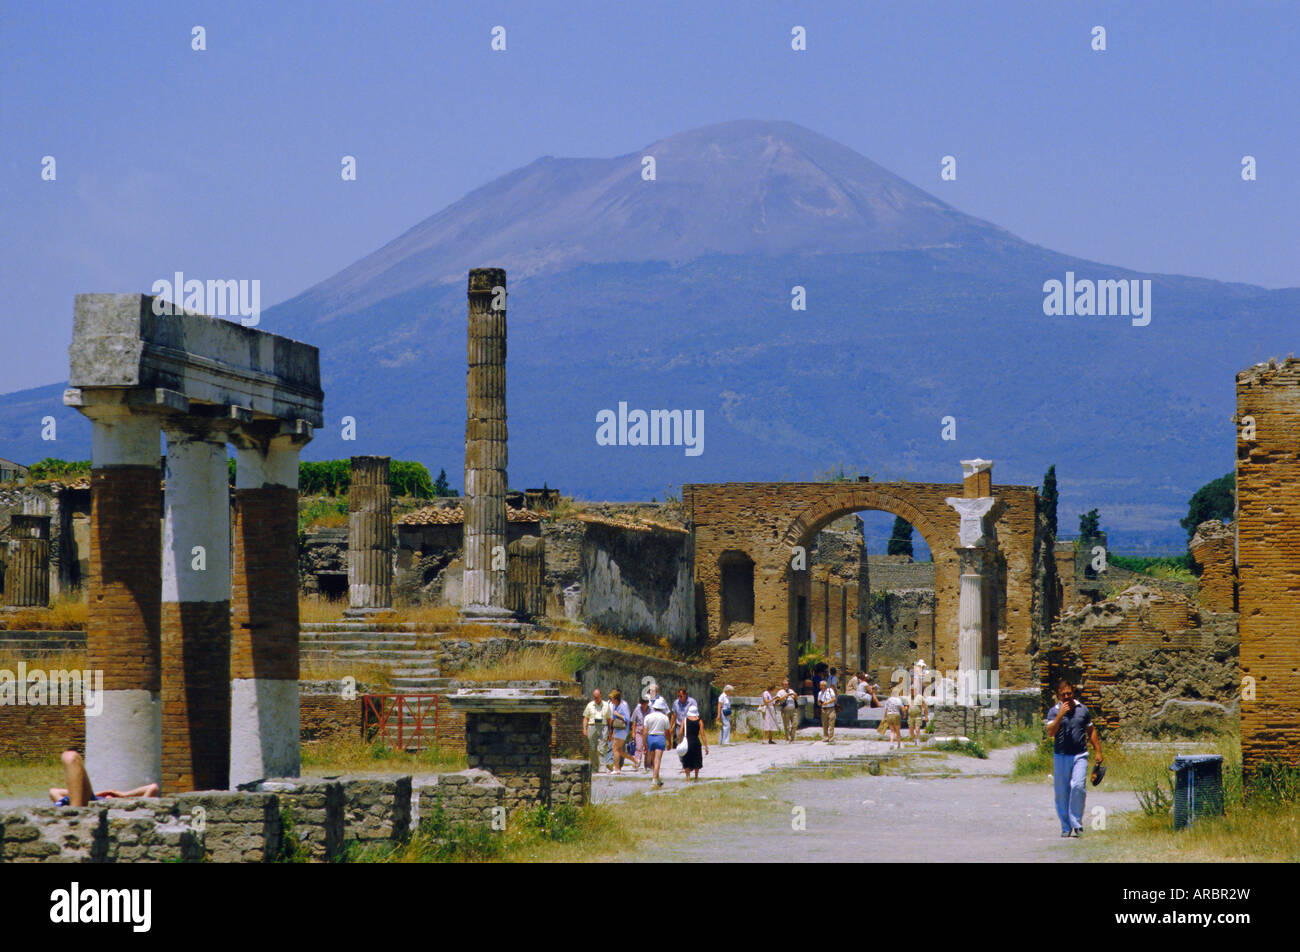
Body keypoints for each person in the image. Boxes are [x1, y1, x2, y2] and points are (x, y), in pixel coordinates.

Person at [1046, 678, 1103, 838]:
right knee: (1061, 792)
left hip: (1080, 755)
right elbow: (1051, 732)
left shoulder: (1082, 710)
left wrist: (1098, 751)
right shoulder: (1053, 711)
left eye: (1069, 693)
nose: (1066, 696)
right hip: (1061, 756)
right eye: (1063, 694)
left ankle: (1077, 823)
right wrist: (1060, 715)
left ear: (1073, 693)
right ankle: (1065, 826)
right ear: (1058, 695)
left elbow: (1091, 730)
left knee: (1078, 787)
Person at [48, 748, 159, 806]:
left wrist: (123, 795)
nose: (109, 795)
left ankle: (76, 815)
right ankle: (76, 814)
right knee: (69, 756)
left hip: (85, 808)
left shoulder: (126, 807)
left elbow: (153, 788)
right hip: (88, 801)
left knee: (71, 757)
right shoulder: (95, 798)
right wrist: (104, 793)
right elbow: (54, 791)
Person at [582, 688, 613, 774]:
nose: (596, 698)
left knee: (602, 748)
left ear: (601, 696)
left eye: (597, 697)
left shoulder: (606, 705)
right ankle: (594, 767)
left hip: (603, 727)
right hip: (592, 726)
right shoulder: (590, 705)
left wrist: (610, 732)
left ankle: (602, 767)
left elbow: (609, 719)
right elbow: (585, 718)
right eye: (594, 697)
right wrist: (584, 729)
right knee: (592, 748)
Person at [644, 696, 672, 787]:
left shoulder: (648, 717)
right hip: (660, 737)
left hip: (650, 738)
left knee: (653, 760)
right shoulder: (665, 718)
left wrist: (645, 742)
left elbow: (645, 731)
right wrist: (669, 742)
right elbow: (667, 732)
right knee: (657, 760)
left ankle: (657, 778)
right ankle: (654, 779)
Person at [680, 702, 709, 780]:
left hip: (687, 742)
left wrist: (679, 742)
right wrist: (706, 746)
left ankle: (688, 778)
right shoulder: (699, 721)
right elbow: (703, 734)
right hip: (696, 741)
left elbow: (680, 732)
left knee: (687, 760)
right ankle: (696, 778)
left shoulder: (685, 720)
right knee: (697, 759)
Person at [609, 689, 634, 774]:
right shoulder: (616, 706)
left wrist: (617, 714)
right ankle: (635, 760)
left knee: (615, 749)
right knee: (619, 750)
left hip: (623, 730)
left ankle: (617, 768)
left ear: (616, 699)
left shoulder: (623, 706)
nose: (611, 701)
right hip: (618, 730)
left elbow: (627, 718)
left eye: (612, 699)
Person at [775, 677, 799, 743]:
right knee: (787, 726)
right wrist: (785, 695)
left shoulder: (791, 690)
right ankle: (787, 739)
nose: (786, 686)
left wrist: (795, 695)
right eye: (785, 684)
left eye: (787, 684)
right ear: (782, 685)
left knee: (795, 724)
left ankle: (792, 738)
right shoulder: (780, 692)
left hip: (793, 710)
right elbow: (778, 700)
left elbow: (796, 699)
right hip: (785, 710)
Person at [630, 695, 651, 769]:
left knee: (648, 748)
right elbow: (634, 722)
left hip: (648, 731)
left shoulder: (651, 710)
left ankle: (647, 765)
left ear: (648, 703)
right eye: (642, 703)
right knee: (638, 747)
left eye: (645, 703)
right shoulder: (637, 709)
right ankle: (637, 762)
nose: (643, 705)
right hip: (639, 731)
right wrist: (633, 732)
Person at [907, 681, 928, 745]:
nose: (912, 691)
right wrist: (904, 709)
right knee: (911, 732)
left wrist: (926, 716)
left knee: (917, 729)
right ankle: (915, 740)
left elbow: (924, 707)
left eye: (913, 690)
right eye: (911, 690)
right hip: (910, 716)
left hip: (917, 716)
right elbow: (907, 706)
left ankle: (918, 740)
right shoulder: (908, 697)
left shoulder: (920, 697)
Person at [818, 679, 838, 744]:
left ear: (825, 686)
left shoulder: (830, 690)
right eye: (820, 685)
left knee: (831, 723)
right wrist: (819, 702)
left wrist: (827, 702)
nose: (820, 687)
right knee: (824, 724)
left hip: (831, 708)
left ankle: (831, 737)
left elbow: (834, 698)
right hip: (823, 709)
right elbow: (819, 702)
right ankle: (825, 737)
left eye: (822, 685)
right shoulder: (820, 693)